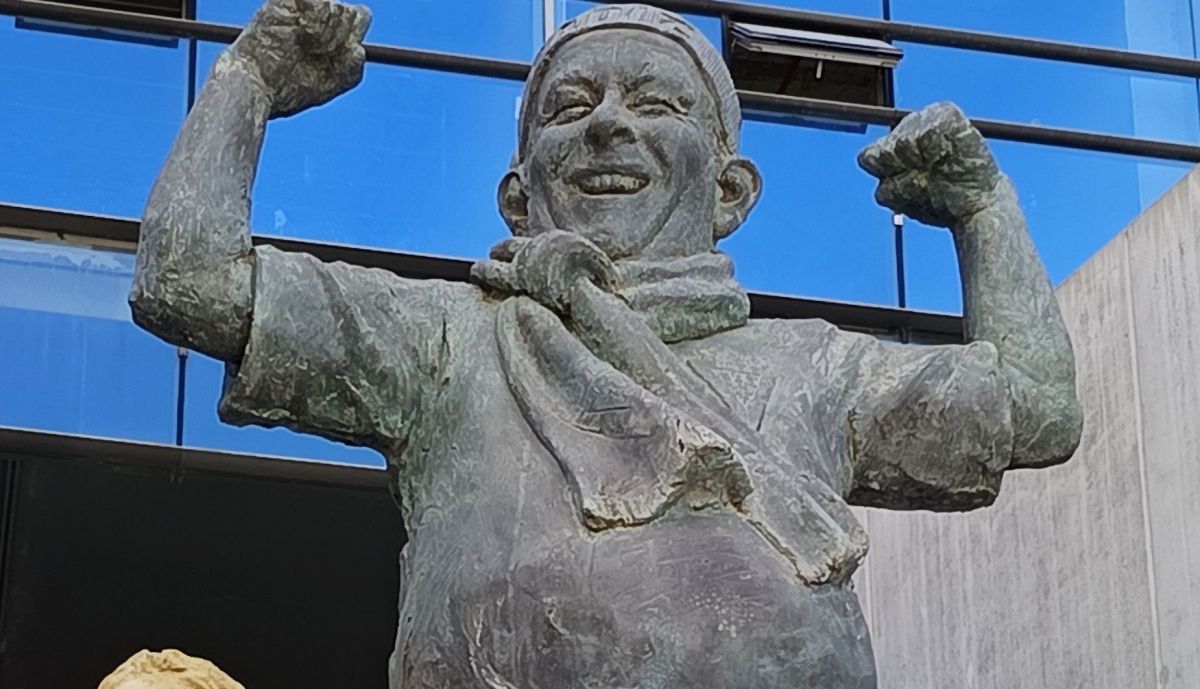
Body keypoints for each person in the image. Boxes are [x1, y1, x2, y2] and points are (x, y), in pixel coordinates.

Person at [131, 2, 1082, 687]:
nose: (608, 125)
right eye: (569, 106)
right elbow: (189, 283)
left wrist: (981, 207)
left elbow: (1037, 407)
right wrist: (247, 80)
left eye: (655, 105)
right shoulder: (446, 339)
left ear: (730, 193)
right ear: (517, 195)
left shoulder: (819, 365)